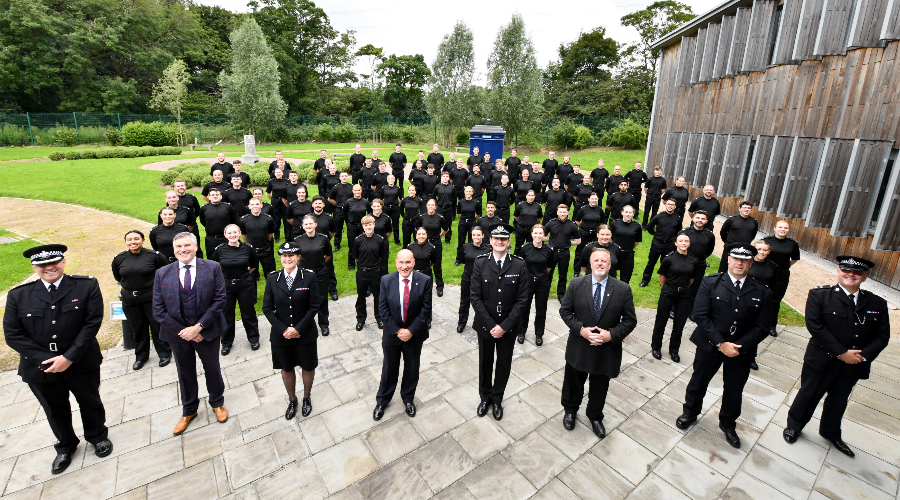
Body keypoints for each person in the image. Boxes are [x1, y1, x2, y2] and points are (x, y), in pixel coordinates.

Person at [4, 244, 113, 473]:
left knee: (90, 401)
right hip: (41, 367)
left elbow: (92, 322)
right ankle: (65, 445)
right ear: (34, 267)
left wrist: (69, 357)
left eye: (53, 263)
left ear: (63, 262)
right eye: (42, 265)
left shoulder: (86, 286)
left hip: (81, 360)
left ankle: (97, 436)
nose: (48, 268)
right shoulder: (18, 295)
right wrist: (49, 359)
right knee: (54, 408)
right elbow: (13, 335)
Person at [784, 256, 890, 457]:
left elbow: (882, 336)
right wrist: (842, 353)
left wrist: (861, 356)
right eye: (846, 271)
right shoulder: (819, 295)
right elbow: (815, 326)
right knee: (809, 394)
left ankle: (831, 432)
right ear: (838, 272)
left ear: (865, 277)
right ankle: (794, 426)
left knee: (839, 400)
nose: (851, 275)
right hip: (822, 360)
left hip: (854, 364)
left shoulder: (877, 302)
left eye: (857, 273)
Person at [676, 243, 774, 449]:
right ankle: (690, 413)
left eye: (745, 260)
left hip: (741, 350)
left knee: (734, 389)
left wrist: (738, 346)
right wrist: (721, 343)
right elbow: (700, 315)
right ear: (728, 259)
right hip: (710, 345)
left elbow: (763, 326)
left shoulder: (762, 291)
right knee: (698, 381)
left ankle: (728, 423)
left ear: (751, 262)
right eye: (736, 259)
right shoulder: (710, 283)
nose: (740, 263)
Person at [152, 232, 229, 435]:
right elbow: (158, 310)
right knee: (184, 372)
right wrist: (185, 332)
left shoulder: (212, 267)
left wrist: (199, 327)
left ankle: (217, 402)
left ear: (195, 247)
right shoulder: (162, 273)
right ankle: (189, 410)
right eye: (178, 247)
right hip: (178, 335)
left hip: (207, 331)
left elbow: (220, 300)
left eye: (187, 245)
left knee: (212, 368)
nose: (182, 250)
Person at [559, 247, 638, 439]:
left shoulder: (622, 289)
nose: (600, 264)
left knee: (600, 385)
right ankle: (570, 410)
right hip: (580, 345)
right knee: (573, 381)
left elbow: (630, 320)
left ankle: (595, 416)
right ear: (590, 264)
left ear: (610, 265)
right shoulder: (576, 284)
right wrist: (581, 330)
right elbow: (565, 311)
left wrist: (611, 335)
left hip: (606, 350)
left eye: (604, 261)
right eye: (596, 261)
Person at [470, 224, 529, 421]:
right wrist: (490, 325)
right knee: (485, 362)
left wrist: (504, 327)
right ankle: (484, 398)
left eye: (504, 239)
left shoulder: (519, 265)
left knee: (503, 364)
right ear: (490, 241)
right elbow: (475, 297)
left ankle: (497, 399)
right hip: (486, 325)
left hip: (509, 327)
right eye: (496, 238)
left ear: (509, 241)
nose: (500, 242)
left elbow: (522, 300)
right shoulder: (480, 263)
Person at [372, 249, 433, 420]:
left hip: (415, 335)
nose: (404, 266)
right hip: (392, 334)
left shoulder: (425, 281)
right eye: (401, 262)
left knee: (412, 368)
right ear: (396, 263)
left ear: (414, 262)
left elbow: (426, 310)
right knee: (389, 367)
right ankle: (383, 400)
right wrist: (398, 331)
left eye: (408, 262)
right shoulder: (386, 280)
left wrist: (411, 331)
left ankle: (408, 399)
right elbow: (382, 309)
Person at [263, 242, 322, 420]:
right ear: (280, 258)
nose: (287, 259)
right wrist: (284, 329)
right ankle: (292, 400)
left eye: (291, 256)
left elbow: (314, 305)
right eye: (284, 256)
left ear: (298, 257)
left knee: (308, 366)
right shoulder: (273, 278)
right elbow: (267, 308)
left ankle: (306, 398)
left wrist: (298, 328)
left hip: (305, 333)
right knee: (286, 367)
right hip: (282, 336)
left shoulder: (309, 276)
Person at [112, 231, 172, 370]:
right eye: (129, 239)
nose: (133, 242)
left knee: (157, 325)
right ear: (125, 242)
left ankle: (164, 353)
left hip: (151, 297)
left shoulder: (154, 256)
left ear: (143, 240)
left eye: (136, 239)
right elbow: (118, 276)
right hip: (130, 299)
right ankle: (141, 356)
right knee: (137, 328)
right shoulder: (119, 259)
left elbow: (164, 273)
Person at [651, 234, 704, 362]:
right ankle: (656, 347)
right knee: (661, 321)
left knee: (679, 324)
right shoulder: (668, 259)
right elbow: (662, 275)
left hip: (684, 294)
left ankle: (674, 350)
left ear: (689, 244)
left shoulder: (694, 261)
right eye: (681, 241)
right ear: (676, 243)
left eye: (686, 241)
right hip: (669, 291)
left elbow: (692, 278)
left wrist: (683, 287)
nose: (684, 243)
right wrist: (668, 287)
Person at [211, 224, 260, 355]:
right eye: (229, 233)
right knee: (227, 316)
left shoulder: (248, 248)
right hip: (226, 287)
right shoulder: (219, 250)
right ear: (225, 235)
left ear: (239, 233)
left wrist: (243, 276)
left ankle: (253, 338)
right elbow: (214, 268)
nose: (232, 235)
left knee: (248, 313)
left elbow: (254, 265)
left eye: (235, 232)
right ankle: (226, 343)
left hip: (245, 285)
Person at [294, 214, 334, 336]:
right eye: (306, 224)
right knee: (303, 300)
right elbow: (295, 257)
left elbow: (327, 255)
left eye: (311, 223)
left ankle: (324, 324)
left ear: (315, 224)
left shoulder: (323, 238)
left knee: (322, 299)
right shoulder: (297, 240)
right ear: (302, 226)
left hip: (320, 273)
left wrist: (319, 264)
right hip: (304, 275)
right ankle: (304, 324)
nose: (308, 226)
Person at [516, 224, 553, 345]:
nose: (538, 235)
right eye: (535, 233)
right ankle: (521, 332)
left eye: (540, 233)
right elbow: (520, 265)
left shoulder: (548, 250)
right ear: (532, 234)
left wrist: (540, 276)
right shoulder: (525, 248)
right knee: (524, 308)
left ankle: (539, 334)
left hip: (542, 282)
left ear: (544, 235)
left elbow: (549, 267)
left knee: (541, 309)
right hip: (528, 282)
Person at [762, 220, 800, 335]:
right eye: (780, 227)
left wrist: (785, 266)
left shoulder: (792, 244)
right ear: (775, 228)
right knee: (760, 297)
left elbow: (794, 258)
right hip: (766, 272)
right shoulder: (766, 241)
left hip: (781, 275)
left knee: (775, 300)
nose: (782, 229)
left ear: (788, 230)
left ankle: (772, 326)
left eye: (785, 228)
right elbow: (759, 254)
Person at [353, 215, 390, 330]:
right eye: (365, 225)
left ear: (374, 225)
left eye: (370, 225)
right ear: (362, 226)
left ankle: (379, 318)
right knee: (361, 297)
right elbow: (356, 257)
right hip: (362, 272)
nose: (368, 227)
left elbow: (382, 257)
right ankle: (360, 319)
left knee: (378, 297)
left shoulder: (380, 240)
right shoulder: (358, 240)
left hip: (375, 272)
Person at [640, 198, 682, 287]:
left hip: (669, 245)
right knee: (651, 262)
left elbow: (679, 231)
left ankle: (666, 281)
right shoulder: (659, 216)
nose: (670, 206)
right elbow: (649, 227)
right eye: (668, 204)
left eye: (672, 205)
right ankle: (645, 280)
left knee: (666, 264)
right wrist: (656, 234)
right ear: (665, 205)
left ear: (675, 206)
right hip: (657, 243)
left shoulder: (677, 218)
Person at [457, 225, 492, 332]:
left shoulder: (488, 249)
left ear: (483, 235)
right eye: (474, 235)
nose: (476, 237)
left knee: (482, 302)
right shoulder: (465, 247)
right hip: (467, 278)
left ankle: (481, 323)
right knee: (464, 301)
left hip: (481, 281)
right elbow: (463, 262)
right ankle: (462, 322)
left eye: (478, 235)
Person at [543, 204, 581, 297]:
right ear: (557, 212)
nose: (562, 214)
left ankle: (561, 295)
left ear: (567, 212)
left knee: (563, 276)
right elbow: (542, 236)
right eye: (560, 212)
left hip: (565, 253)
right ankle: (545, 294)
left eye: (564, 212)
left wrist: (567, 243)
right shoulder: (551, 223)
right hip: (552, 252)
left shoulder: (572, 225)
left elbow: (578, 240)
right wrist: (551, 241)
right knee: (548, 274)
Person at [681, 211, 716, 307]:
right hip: (685, 263)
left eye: (702, 219)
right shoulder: (685, 232)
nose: (700, 220)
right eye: (698, 218)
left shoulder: (710, 235)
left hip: (699, 265)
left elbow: (710, 250)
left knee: (695, 287)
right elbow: (678, 248)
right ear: (693, 219)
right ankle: (674, 309)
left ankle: (691, 309)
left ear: (706, 221)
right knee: (681, 285)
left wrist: (701, 258)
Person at [415, 199, 450, 296]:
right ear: (426, 206)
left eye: (432, 205)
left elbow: (446, 229)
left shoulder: (439, 218)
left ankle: (439, 286)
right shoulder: (422, 218)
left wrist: (438, 237)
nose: (430, 207)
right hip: (424, 244)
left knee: (437, 266)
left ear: (435, 207)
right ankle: (422, 285)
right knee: (422, 265)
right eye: (429, 205)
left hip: (436, 244)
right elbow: (417, 228)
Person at [239, 198, 276, 278]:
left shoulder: (268, 219)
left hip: (265, 250)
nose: (255, 206)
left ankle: (271, 290)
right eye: (252, 204)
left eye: (257, 204)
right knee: (252, 275)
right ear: (249, 206)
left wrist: (265, 241)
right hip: (251, 251)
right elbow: (243, 235)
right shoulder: (243, 220)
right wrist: (249, 243)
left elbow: (270, 234)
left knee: (270, 274)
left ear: (261, 205)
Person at [719, 201, 759, 273]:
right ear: (739, 209)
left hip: (745, 248)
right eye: (744, 208)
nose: (746, 210)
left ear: (751, 210)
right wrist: (728, 242)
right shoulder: (731, 219)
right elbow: (723, 232)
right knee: (723, 267)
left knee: (741, 267)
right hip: (730, 247)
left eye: (749, 208)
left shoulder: (754, 222)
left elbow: (753, 234)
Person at [573, 192, 604, 278]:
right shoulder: (583, 209)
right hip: (584, 233)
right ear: (589, 199)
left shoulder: (600, 210)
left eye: (595, 199)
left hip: (595, 234)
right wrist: (584, 228)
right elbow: (577, 221)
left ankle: (592, 271)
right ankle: (576, 271)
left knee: (595, 253)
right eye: (592, 199)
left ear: (597, 199)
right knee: (580, 252)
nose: (594, 201)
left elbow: (601, 221)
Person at [199, 188, 236, 257]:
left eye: (217, 194)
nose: (215, 196)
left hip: (226, 238)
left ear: (221, 196)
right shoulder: (204, 208)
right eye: (212, 195)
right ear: (209, 197)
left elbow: (233, 220)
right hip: (211, 239)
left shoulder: (228, 207)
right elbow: (203, 221)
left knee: (228, 258)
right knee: (212, 259)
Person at [609, 205, 642, 283]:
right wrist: (614, 248)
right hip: (615, 253)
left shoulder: (637, 226)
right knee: (610, 275)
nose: (628, 214)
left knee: (625, 279)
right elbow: (609, 237)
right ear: (622, 212)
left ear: (633, 214)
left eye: (630, 212)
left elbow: (636, 241)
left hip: (628, 255)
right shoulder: (614, 224)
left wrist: (628, 248)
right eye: (626, 212)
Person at [343, 184, 371, 271]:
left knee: (363, 245)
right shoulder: (348, 202)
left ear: (361, 191)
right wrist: (349, 223)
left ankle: (362, 262)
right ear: (353, 191)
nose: (357, 192)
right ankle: (351, 264)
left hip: (363, 227)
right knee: (352, 246)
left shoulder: (366, 202)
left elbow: (370, 213)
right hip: (352, 226)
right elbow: (344, 214)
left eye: (359, 190)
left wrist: (366, 225)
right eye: (355, 190)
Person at [173, 179, 203, 256]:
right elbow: (170, 211)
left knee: (195, 243)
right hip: (178, 225)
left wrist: (192, 218)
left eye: (182, 185)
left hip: (192, 225)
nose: (180, 187)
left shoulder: (191, 197)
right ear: (174, 188)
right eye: (178, 186)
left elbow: (198, 209)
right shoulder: (173, 199)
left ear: (185, 186)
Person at [455, 186, 481, 266]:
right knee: (461, 242)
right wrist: (464, 219)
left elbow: (478, 214)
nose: (468, 193)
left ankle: (470, 258)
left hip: (472, 223)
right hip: (463, 223)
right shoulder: (461, 202)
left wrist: (472, 220)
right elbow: (459, 213)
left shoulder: (476, 202)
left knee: (471, 241)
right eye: (467, 191)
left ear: (472, 193)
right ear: (464, 192)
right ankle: (458, 259)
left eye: (470, 191)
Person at [329, 171, 355, 251]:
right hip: (339, 210)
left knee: (351, 228)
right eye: (342, 176)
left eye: (345, 176)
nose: (344, 177)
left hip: (350, 211)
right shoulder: (336, 187)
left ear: (348, 177)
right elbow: (330, 198)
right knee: (338, 229)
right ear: (340, 178)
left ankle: (352, 244)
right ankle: (337, 245)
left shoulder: (352, 187)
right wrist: (337, 204)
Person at [378, 175, 402, 244]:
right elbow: (381, 199)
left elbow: (400, 199)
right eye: (389, 179)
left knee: (395, 225)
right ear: (387, 180)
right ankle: (383, 239)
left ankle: (397, 241)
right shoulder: (384, 188)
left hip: (395, 209)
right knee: (384, 224)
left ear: (394, 180)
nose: (391, 180)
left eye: (392, 179)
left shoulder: (397, 188)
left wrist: (395, 203)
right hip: (386, 208)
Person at [434, 171, 456, 244]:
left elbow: (454, 199)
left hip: (448, 208)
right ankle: (437, 238)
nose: (445, 178)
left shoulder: (452, 188)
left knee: (448, 224)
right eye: (444, 176)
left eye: (447, 176)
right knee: (437, 224)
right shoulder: (437, 187)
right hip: (439, 208)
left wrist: (453, 211)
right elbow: (434, 197)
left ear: (449, 178)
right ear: (441, 178)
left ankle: (447, 240)